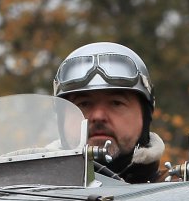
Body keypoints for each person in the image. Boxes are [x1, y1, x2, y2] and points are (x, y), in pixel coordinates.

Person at [53, 42, 169, 184]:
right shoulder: (28, 191)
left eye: (116, 103)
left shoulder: (181, 194)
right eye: (84, 104)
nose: (98, 116)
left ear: (145, 116)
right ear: (61, 119)